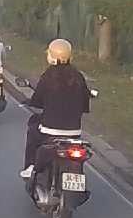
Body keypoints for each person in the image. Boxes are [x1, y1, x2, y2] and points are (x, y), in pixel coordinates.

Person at [21, 38, 90, 179]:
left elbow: (37, 101)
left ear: (51, 56)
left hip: (50, 131)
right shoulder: (78, 77)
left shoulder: (49, 76)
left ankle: (31, 166)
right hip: (74, 132)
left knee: (33, 128)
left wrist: (33, 102)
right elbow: (85, 105)